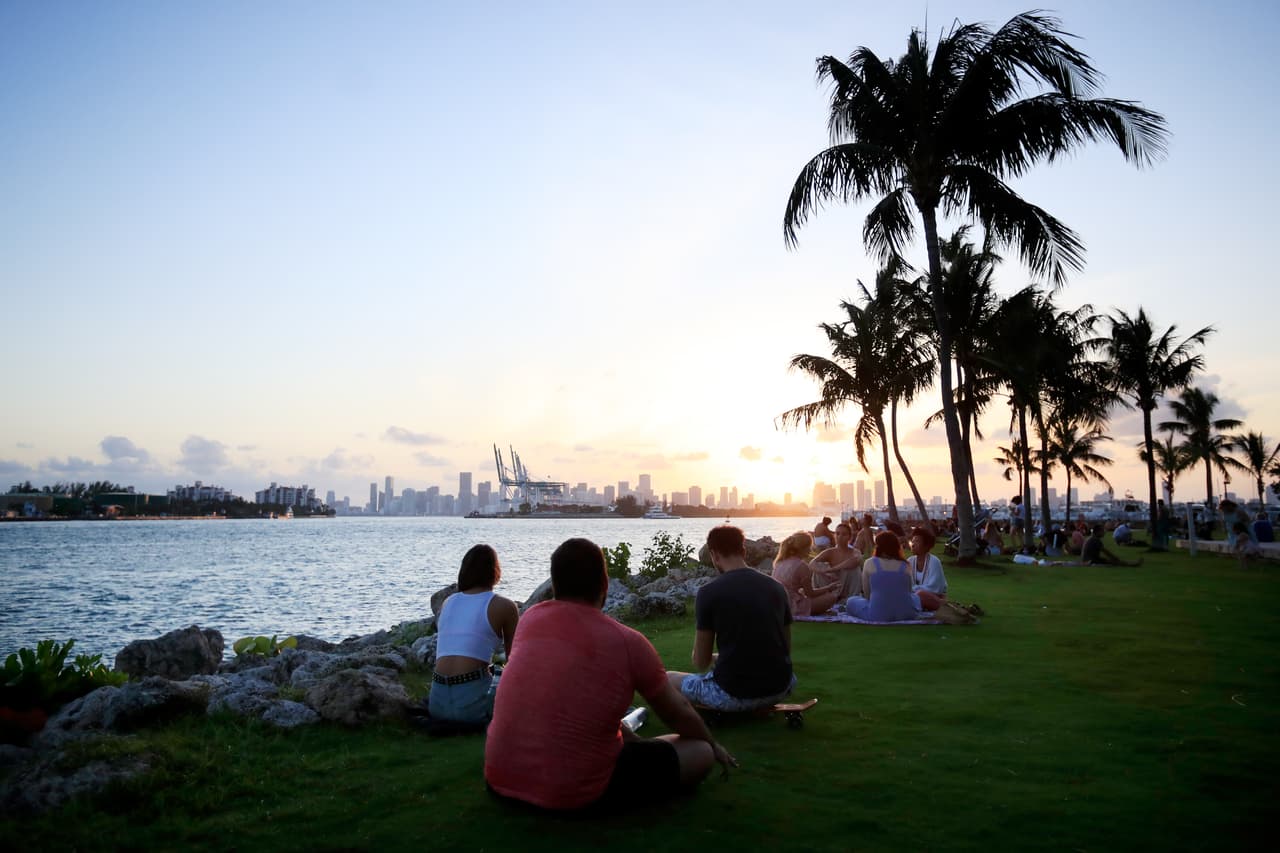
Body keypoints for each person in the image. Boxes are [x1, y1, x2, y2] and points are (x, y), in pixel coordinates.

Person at [484, 538, 735, 811]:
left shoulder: (529, 620)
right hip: (573, 793)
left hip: (501, 780)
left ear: (554, 586)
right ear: (604, 585)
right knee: (700, 752)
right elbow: (677, 712)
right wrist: (712, 744)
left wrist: (638, 744)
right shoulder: (628, 642)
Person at [667, 525, 796, 713]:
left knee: (667, 678)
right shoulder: (777, 588)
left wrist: (703, 656)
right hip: (781, 687)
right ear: (743, 551)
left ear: (714, 554)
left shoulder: (708, 593)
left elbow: (701, 662)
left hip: (732, 695)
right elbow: (785, 648)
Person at [428, 544, 520, 726]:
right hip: (473, 707)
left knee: (494, 670)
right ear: (495, 571)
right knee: (502, 673)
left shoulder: (448, 602)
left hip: (436, 702)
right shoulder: (504, 606)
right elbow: (515, 661)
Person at [846, 531, 919, 622]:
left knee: (851, 601)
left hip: (878, 615)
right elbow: (908, 591)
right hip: (907, 614)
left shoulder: (870, 563)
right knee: (916, 598)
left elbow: (867, 594)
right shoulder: (905, 565)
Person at [770, 531, 841, 616]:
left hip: (777, 604)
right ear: (803, 548)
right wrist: (829, 588)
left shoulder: (780, 562)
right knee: (832, 597)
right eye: (809, 547)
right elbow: (810, 594)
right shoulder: (802, 566)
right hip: (792, 606)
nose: (811, 550)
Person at [813, 522, 863, 600]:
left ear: (849, 537)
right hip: (832, 585)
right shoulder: (830, 552)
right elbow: (812, 564)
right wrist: (826, 572)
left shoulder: (854, 551)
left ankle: (850, 599)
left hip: (846, 588)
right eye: (837, 533)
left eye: (844, 534)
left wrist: (833, 569)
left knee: (855, 569)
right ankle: (822, 597)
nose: (840, 537)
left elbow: (855, 560)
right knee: (817, 570)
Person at [906, 527, 947, 611]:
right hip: (914, 596)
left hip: (933, 597)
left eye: (917, 541)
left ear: (926, 545)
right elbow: (906, 584)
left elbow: (935, 588)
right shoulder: (909, 561)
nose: (913, 544)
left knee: (921, 594)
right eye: (912, 541)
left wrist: (913, 590)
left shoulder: (934, 561)